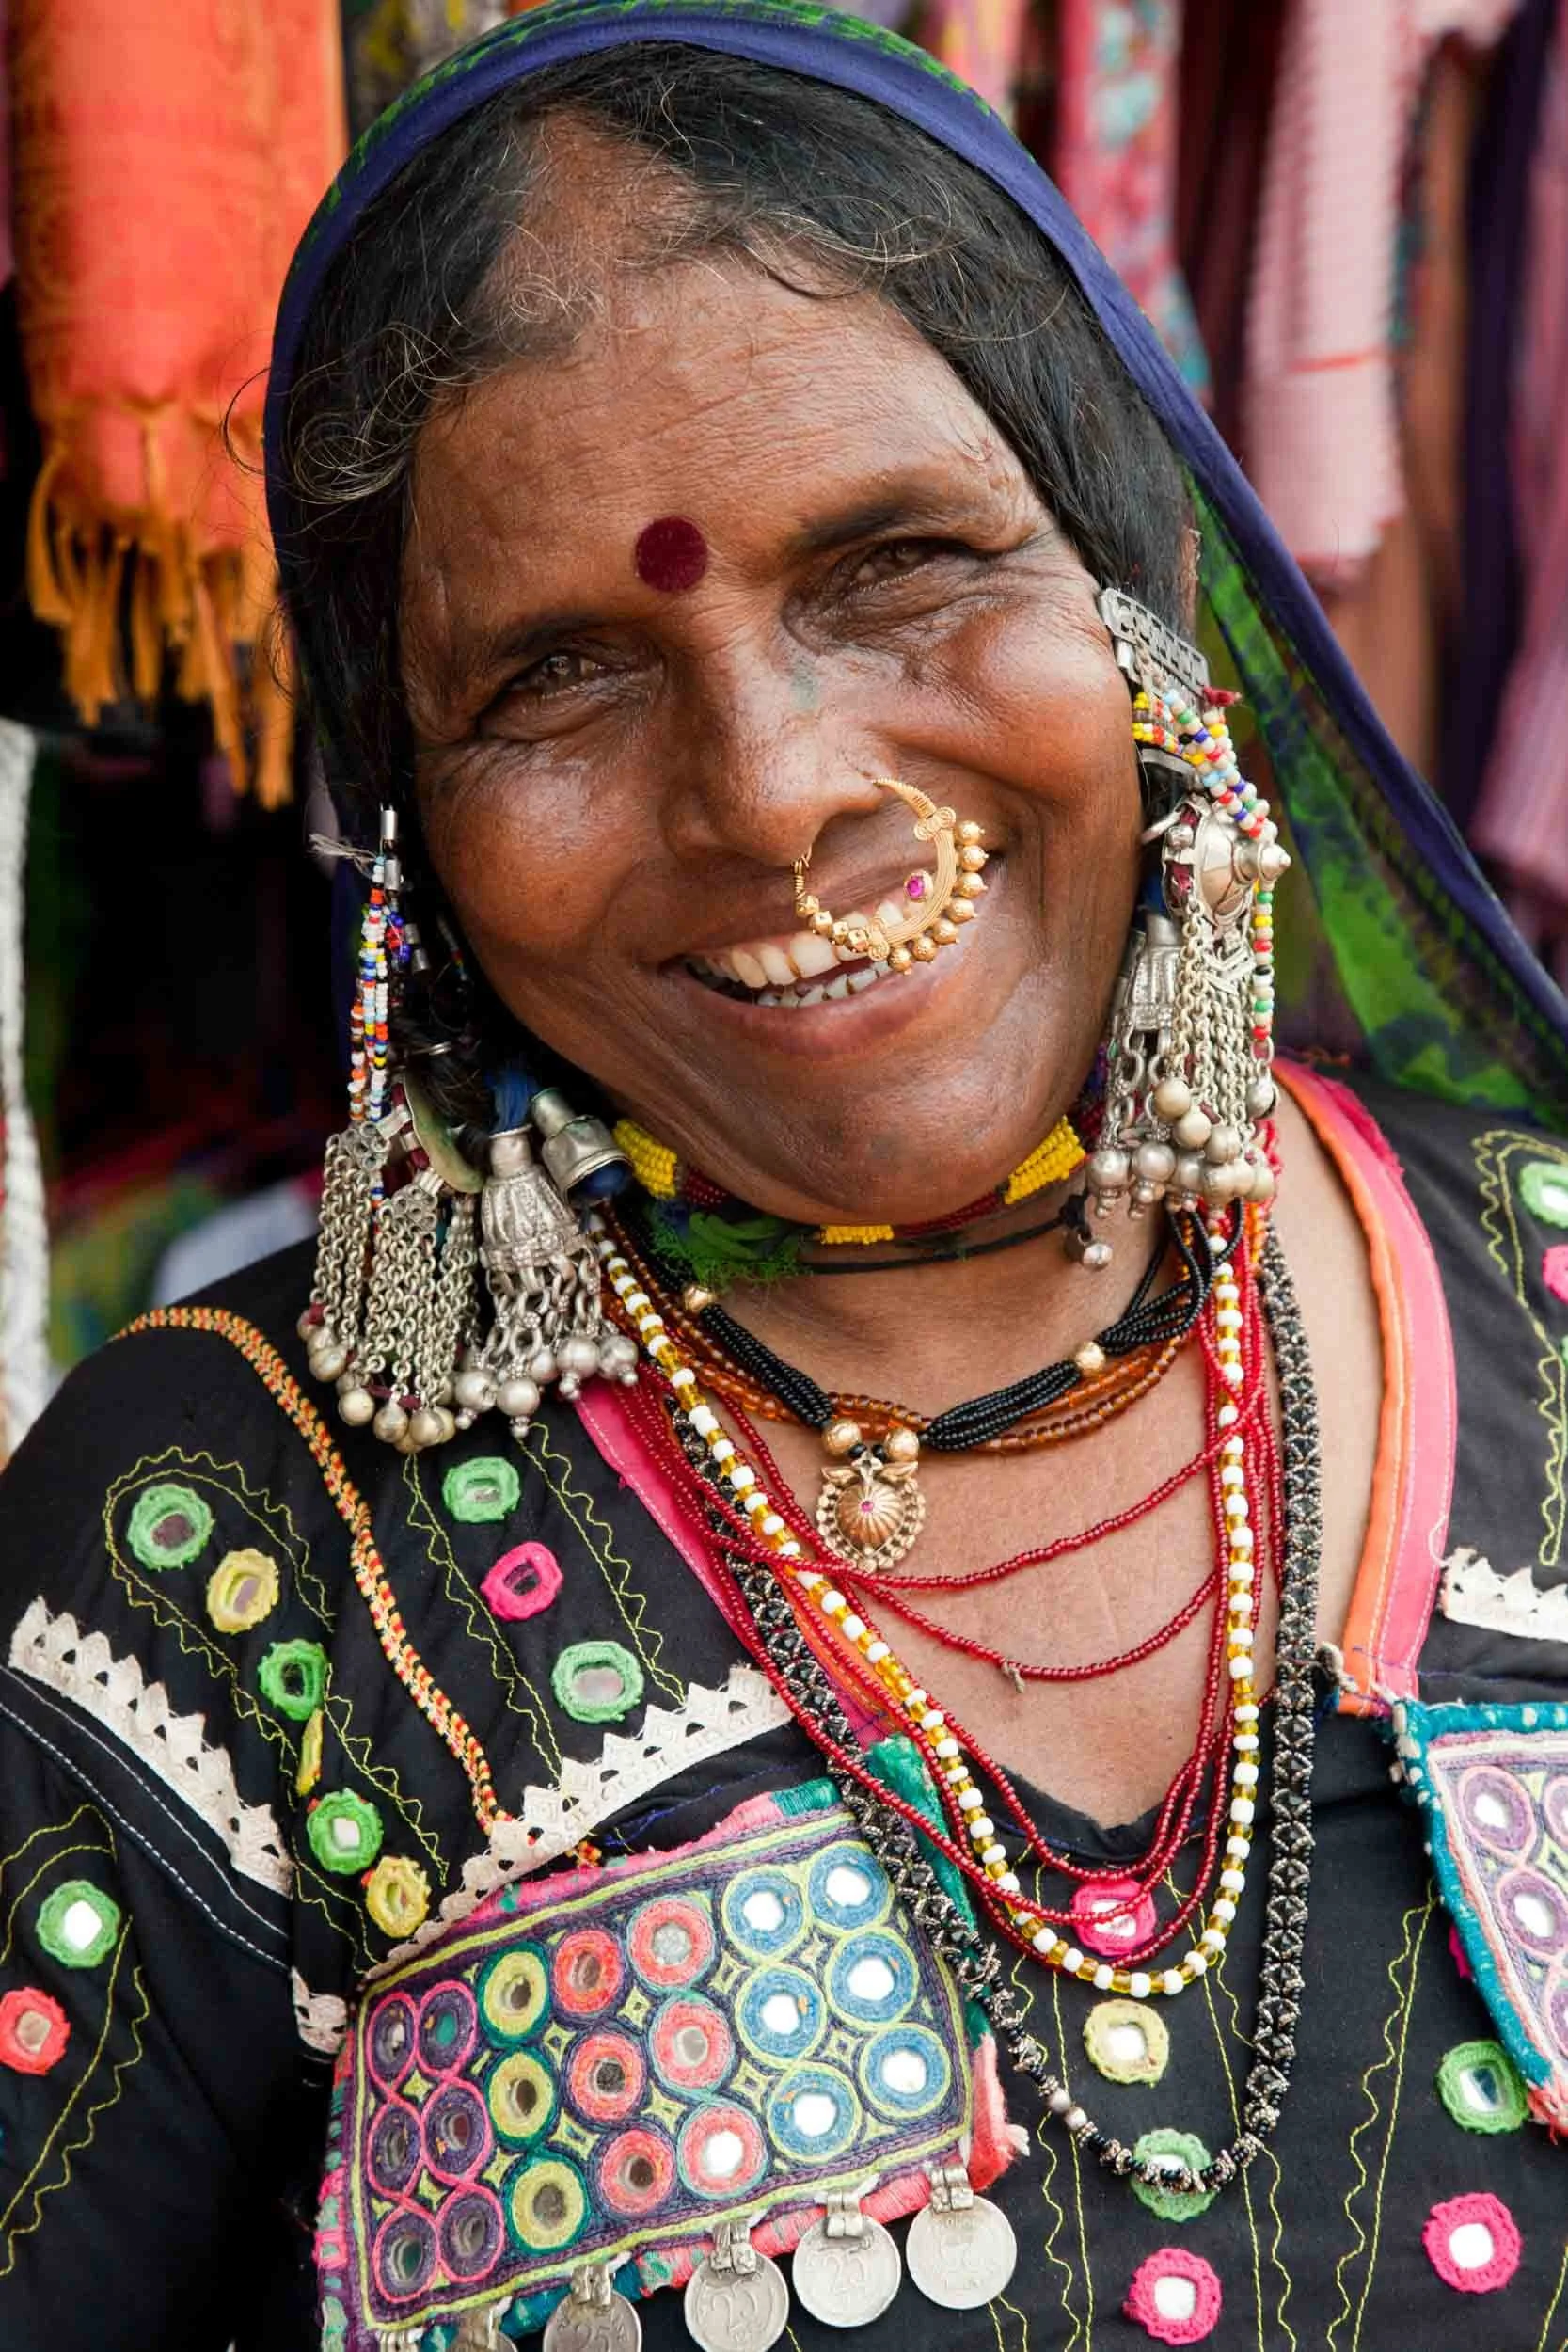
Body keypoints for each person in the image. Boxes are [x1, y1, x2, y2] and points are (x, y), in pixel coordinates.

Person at [2, 4, 1567, 2345]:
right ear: (406, 829)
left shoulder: (1544, 1303)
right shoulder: (220, 1547)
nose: (768, 788)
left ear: (1144, 605)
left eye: (898, 566)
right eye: (557, 679)